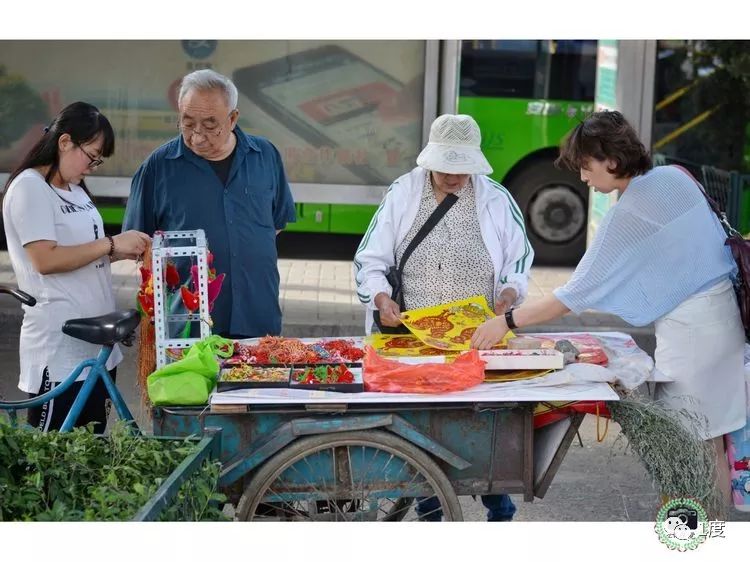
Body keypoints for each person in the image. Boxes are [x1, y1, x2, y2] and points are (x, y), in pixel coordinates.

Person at [471, 110, 746, 504]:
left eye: (586, 167)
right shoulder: (674, 177)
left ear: (611, 161)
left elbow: (572, 295)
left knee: (683, 451)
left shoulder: (630, 210)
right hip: (726, 323)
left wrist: (507, 321)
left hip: (692, 337)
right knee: (713, 442)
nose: (583, 178)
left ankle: (683, 542)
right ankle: (711, 538)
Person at [354, 113, 534, 521]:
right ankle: (432, 514)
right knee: (424, 429)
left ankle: (498, 510)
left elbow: (518, 260)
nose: (454, 177)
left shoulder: (497, 199)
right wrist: (381, 298)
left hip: (476, 336)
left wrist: (509, 291)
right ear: (429, 161)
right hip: (414, 338)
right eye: (445, 168)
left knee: (483, 432)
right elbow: (370, 260)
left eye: (462, 168)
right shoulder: (403, 193)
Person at [2, 101, 151, 433]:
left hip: (95, 347)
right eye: (92, 156)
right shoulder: (30, 187)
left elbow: (85, 252)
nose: (93, 167)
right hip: (58, 349)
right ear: (65, 142)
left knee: (90, 453)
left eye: (98, 160)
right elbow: (46, 259)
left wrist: (124, 248)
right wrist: (112, 244)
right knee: (50, 457)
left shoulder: (73, 188)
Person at [123, 69, 296, 339]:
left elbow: (275, 224)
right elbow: (138, 243)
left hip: (257, 314)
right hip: (188, 324)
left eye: (210, 124)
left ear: (233, 118)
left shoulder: (265, 156)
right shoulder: (158, 167)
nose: (198, 136)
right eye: (188, 123)